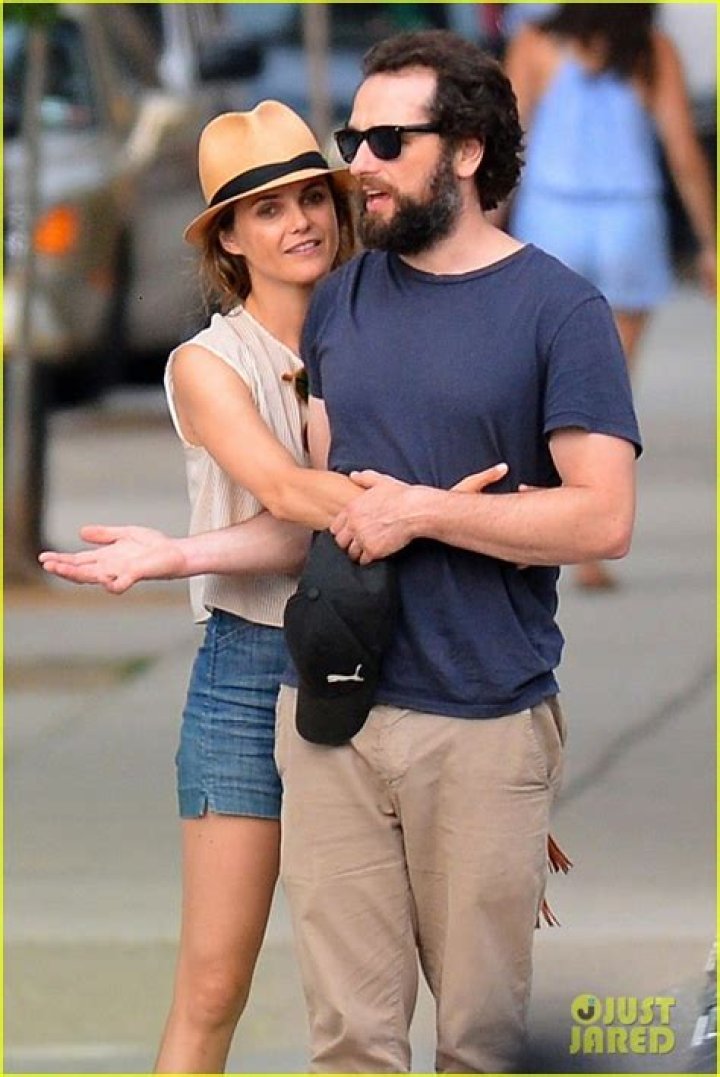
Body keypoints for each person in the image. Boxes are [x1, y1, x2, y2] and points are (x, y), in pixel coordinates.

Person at [39, 100, 504, 1074]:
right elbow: (294, 502)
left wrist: (436, 511)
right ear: (228, 239)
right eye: (267, 210)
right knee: (214, 987)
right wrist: (429, 507)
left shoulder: (392, 325)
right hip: (253, 671)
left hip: (405, 655)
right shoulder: (209, 365)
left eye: (312, 199)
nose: (300, 222)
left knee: (437, 989)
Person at [269, 29, 640, 1073]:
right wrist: (170, 553)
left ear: (468, 151)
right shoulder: (340, 299)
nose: (361, 165)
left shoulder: (560, 310)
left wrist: (428, 513)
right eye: (353, 138)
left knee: (479, 1044)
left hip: (481, 721)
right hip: (333, 713)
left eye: (390, 141)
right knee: (349, 1043)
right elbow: (327, 498)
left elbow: (603, 519)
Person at [504, 3, 716, 589]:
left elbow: (506, 143)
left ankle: (533, 521)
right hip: (629, 221)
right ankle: (590, 544)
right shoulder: (650, 49)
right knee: (608, 390)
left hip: (551, 219)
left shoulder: (535, 42)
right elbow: (683, 151)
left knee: (536, 383)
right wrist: (710, 242)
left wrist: (479, 228)